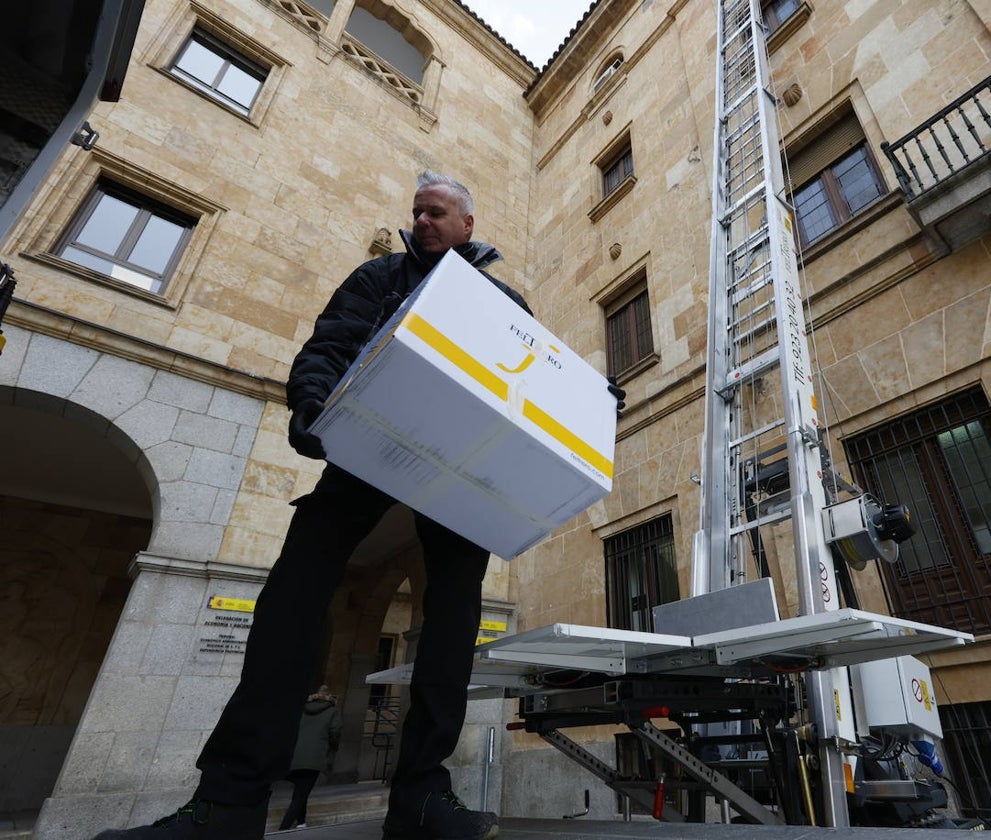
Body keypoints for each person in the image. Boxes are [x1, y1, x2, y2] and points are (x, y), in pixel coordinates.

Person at [92, 171, 625, 840]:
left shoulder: (504, 301)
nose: (423, 220)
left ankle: (422, 800)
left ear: (467, 225)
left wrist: (589, 402)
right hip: (373, 445)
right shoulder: (380, 279)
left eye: (437, 213)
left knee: (455, 616)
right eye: (417, 212)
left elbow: (536, 379)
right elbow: (330, 346)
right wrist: (311, 404)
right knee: (294, 594)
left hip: (462, 469)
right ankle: (228, 803)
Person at [277, 685, 342, 831]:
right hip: (314, 757)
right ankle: (283, 828)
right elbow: (335, 731)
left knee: (301, 790)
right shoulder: (333, 712)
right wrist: (332, 748)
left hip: (293, 755)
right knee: (300, 794)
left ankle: (301, 821)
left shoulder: (302, 709)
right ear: (331, 698)